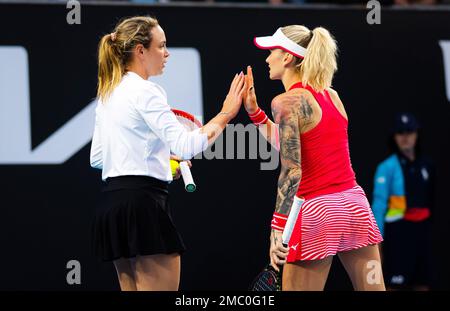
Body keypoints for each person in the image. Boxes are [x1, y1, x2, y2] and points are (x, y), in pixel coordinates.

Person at [90, 16, 245, 291]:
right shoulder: (148, 92)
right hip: (144, 206)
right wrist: (226, 114)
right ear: (140, 50)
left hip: (115, 207)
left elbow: (99, 158)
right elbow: (185, 146)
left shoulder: (109, 93)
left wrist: (161, 163)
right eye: (161, 46)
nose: (166, 53)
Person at [243, 25, 385, 290]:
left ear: (286, 57)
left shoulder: (285, 102)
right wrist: (255, 114)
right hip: (355, 208)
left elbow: (292, 170)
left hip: (317, 212)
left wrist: (278, 227)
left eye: (272, 51)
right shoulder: (332, 95)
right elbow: (299, 146)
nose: (266, 58)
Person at [372, 113, 435, 290]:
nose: (405, 137)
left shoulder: (427, 165)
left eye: (409, 131)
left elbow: (431, 199)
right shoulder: (386, 167)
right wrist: (377, 243)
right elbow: (379, 206)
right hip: (397, 236)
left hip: (422, 234)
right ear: (394, 137)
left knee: (423, 283)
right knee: (394, 284)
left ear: (417, 133)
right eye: (400, 132)